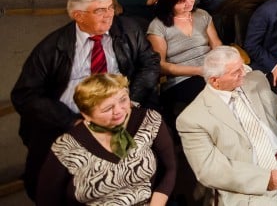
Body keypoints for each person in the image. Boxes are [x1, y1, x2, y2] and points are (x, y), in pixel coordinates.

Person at [11, 0, 160, 199]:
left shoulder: (128, 30)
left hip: (120, 109)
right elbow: (25, 95)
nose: (109, 15)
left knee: (142, 160)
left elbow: (150, 63)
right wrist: (70, 121)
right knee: (44, 175)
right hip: (69, 116)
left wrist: (131, 102)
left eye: (110, 7)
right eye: (99, 10)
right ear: (78, 16)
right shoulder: (53, 46)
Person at [177, 47, 277, 206]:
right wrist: (265, 179)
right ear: (215, 80)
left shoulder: (256, 79)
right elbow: (209, 170)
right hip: (245, 180)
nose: (244, 74)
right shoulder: (192, 118)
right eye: (236, 72)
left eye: (242, 67)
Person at [36, 74, 176, 206]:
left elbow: (170, 168)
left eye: (123, 100)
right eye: (107, 108)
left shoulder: (148, 120)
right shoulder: (66, 146)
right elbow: (46, 200)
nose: (119, 111)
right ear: (86, 114)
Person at [146, 0, 222, 119]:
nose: (189, 3)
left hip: (210, 68)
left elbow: (216, 44)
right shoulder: (158, 26)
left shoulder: (202, 15)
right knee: (213, 98)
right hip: (182, 78)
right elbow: (161, 65)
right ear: (169, 3)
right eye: (181, 1)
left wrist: (218, 63)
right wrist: (199, 71)